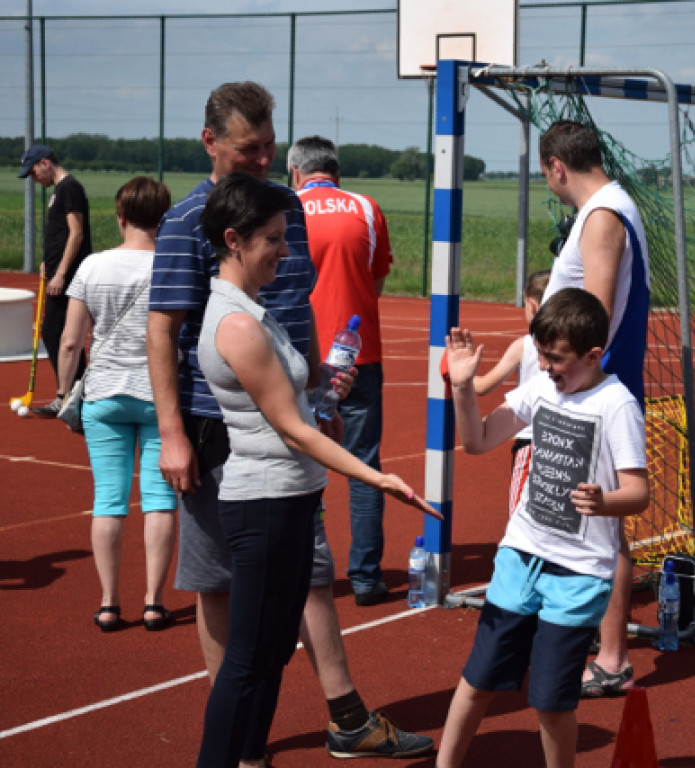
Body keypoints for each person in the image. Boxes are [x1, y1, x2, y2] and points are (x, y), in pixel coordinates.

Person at [147, 81, 433, 765]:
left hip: (290, 414)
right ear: (211, 143)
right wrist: (175, 434)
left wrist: (311, 389)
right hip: (228, 437)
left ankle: (332, 715)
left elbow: (294, 310)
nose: (265, 158)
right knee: (230, 596)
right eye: (251, 149)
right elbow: (162, 331)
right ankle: (241, 735)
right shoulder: (191, 222)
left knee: (296, 587)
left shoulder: (285, 210)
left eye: (272, 146)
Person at [437, 287, 649, 768]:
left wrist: (605, 500)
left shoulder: (616, 405)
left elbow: (639, 493)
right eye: (541, 355)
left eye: (556, 359)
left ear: (593, 355)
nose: (547, 367)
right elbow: (477, 440)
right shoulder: (541, 388)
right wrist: (463, 387)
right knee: (478, 681)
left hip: (577, 574)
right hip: (520, 557)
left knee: (552, 702)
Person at [537, 119, 650, 698]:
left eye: (548, 178)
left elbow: (592, 315)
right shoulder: (609, 209)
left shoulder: (603, 215)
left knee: (603, 527)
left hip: (594, 396)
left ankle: (610, 658)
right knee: (588, 521)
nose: (551, 187)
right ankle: (596, 646)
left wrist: (567, 383)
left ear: (557, 167)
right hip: (587, 389)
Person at [56, 176, 176, 633]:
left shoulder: (92, 266)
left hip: (104, 393)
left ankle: (109, 603)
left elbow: (70, 341)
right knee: (159, 499)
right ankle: (153, 602)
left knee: (108, 500)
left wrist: (66, 393)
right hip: (159, 395)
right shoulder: (172, 264)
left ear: (119, 217)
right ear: (163, 218)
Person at [287, 135, 393, 606]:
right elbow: (377, 279)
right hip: (359, 353)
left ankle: (303, 572)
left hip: (297, 355)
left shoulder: (285, 207)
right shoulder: (366, 208)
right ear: (336, 171)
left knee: (296, 465)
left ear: (295, 171)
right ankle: (367, 578)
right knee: (364, 466)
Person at [18, 144, 92, 416]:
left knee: (58, 333)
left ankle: (74, 396)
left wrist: (60, 272)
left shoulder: (69, 188)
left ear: (45, 163)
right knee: (56, 333)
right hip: (58, 271)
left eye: (34, 172)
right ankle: (75, 394)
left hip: (68, 275)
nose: (34, 178)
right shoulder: (60, 191)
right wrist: (47, 263)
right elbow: (61, 234)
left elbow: (76, 234)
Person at [471, 269, 550, 517]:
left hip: (530, 440)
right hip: (565, 439)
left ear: (533, 305)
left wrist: (457, 375)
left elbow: (482, 386)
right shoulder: (574, 346)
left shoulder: (524, 346)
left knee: (521, 517)